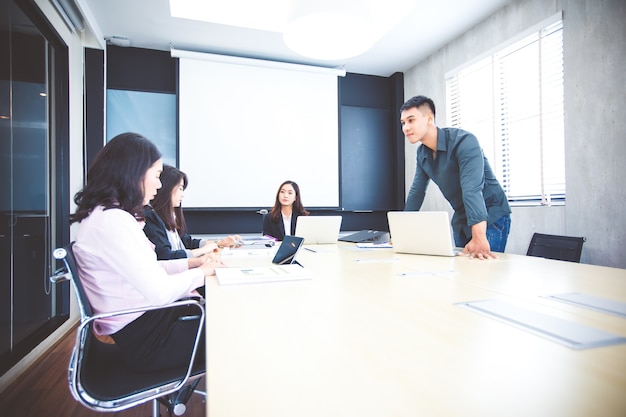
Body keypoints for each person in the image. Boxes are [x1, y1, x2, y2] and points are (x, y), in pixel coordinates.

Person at [69, 132, 225, 372]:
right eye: (157, 175)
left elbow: (150, 268)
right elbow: (160, 292)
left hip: (147, 330)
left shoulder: (105, 217)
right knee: (238, 325)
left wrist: (194, 265)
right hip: (153, 341)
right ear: (133, 173)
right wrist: (202, 272)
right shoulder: (113, 222)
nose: (160, 185)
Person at [400, 95, 511, 260]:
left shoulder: (465, 142)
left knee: (482, 273)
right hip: (461, 219)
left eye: (411, 120)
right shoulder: (422, 153)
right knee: (462, 275)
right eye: (403, 123)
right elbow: (417, 192)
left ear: (429, 119)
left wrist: (479, 237)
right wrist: (403, 233)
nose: (406, 127)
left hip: (489, 216)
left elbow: (471, 188)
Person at [144, 164, 241, 261]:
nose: (182, 195)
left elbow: (186, 241)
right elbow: (165, 256)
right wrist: (203, 250)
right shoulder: (150, 217)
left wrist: (219, 243)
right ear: (166, 188)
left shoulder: (167, 216)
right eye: (180, 188)